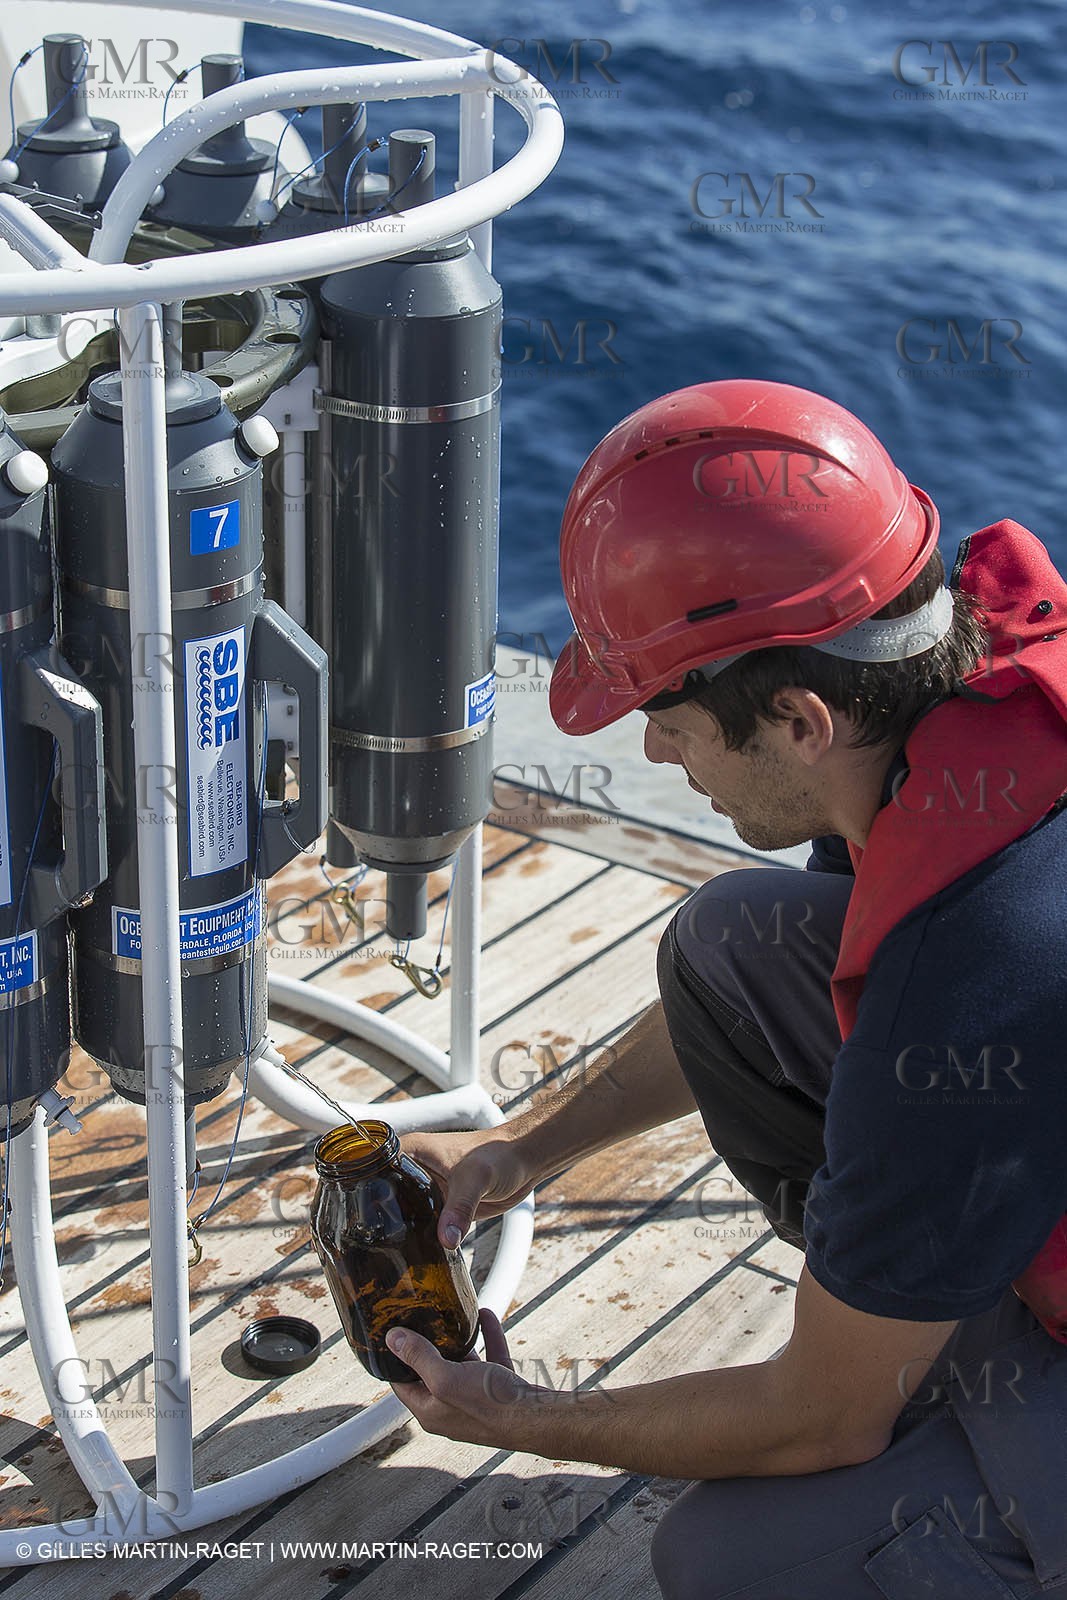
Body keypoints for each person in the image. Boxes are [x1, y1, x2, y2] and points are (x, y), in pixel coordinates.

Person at [382, 380, 1067, 1598]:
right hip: (1011, 1137)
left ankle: (933, 1375)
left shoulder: (959, 976)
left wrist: (525, 1416)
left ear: (799, 718)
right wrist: (522, 1150)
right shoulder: (945, 684)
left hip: (1001, 1141)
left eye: (666, 713)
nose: (650, 750)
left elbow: (819, 1424)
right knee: (734, 942)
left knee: (732, 1560)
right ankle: (909, 1312)